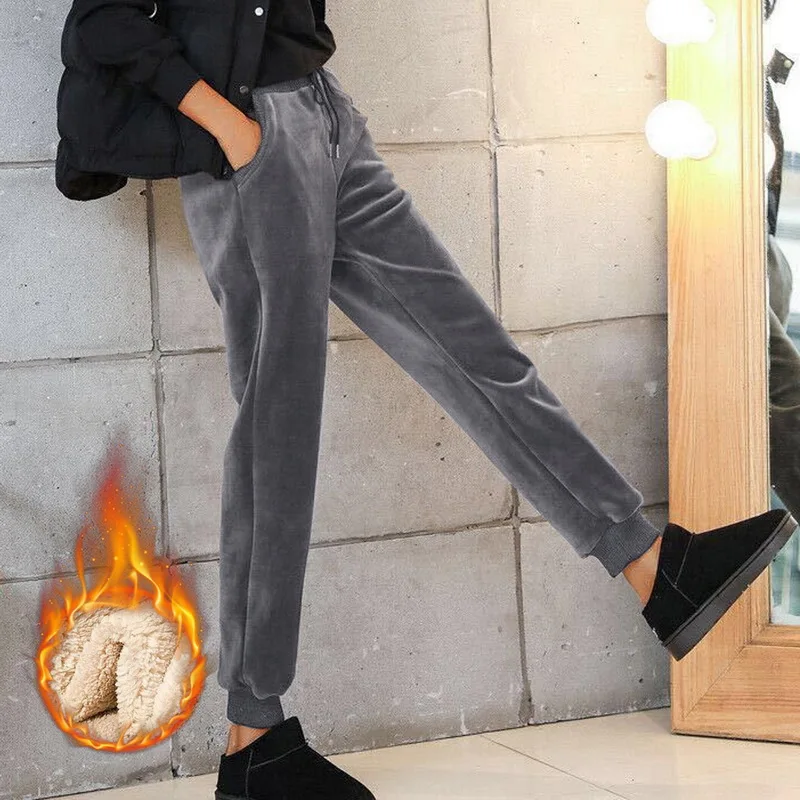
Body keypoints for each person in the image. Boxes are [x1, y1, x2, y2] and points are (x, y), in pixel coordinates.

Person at [59, 2, 799, 798]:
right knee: (279, 437)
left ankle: (655, 568)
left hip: (321, 110)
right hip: (249, 138)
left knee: (474, 351)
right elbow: (103, 19)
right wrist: (231, 128)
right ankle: (254, 737)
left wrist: (305, 115)